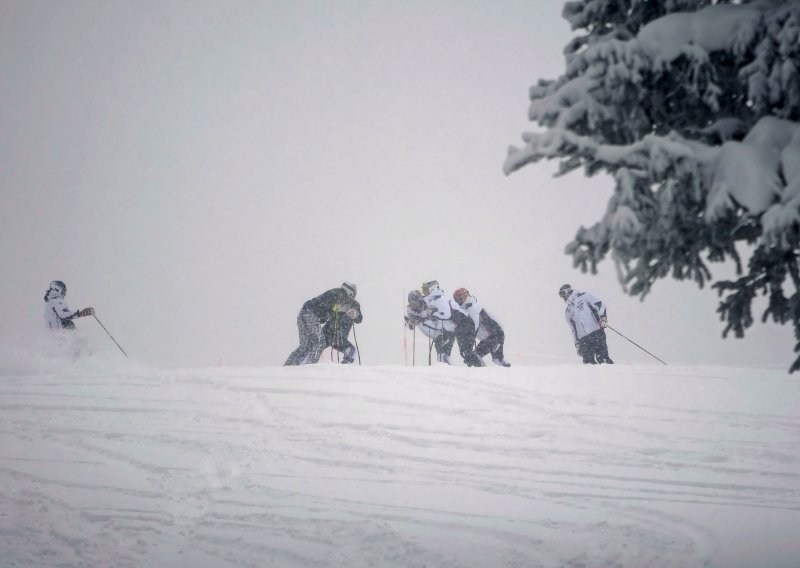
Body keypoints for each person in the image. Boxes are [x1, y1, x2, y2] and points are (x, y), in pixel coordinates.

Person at [285, 282, 362, 366]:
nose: (352, 298)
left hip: (304, 313)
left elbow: (326, 309)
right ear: (350, 292)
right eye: (353, 295)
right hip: (312, 315)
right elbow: (330, 307)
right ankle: (309, 366)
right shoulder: (340, 294)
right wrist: (340, 310)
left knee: (305, 345)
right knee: (318, 343)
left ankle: (288, 366)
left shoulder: (336, 294)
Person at [421, 280, 484, 367]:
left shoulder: (440, 299)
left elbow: (446, 315)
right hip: (461, 326)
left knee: (466, 352)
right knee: (465, 352)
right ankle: (479, 367)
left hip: (464, 325)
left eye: (425, 289)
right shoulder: (436, 299)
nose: (424, 292)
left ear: (431, 289)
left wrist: (433, 313)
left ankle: (481, 368)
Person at [452, 288, 510, 367]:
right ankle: (483, 372)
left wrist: (470, 341)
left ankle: (508, 373)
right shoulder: (469, 307)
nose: (459, 302)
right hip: (489, 338)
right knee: (475, 356)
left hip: (496, 336)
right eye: (457, 300)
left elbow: (474, 326)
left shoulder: (472, 308)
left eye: (459, 299)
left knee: (497, 359)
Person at [559, 283, 613, 364]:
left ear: (568, 291)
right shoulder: (568, 311)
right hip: (583, 339)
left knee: (603, 359)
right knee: (588, 363)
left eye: (563, 293)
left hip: (596, 332)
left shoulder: (584, 296)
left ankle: (611, 373)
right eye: (560, 295)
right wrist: (577, 344)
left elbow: (600, 305)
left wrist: (603, 317)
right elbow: (573, 329)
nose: (562, 297)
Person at [405, 289, 454, 364]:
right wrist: (409, 321)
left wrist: (422, 320)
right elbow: (409, 327)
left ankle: (448, 368)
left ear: (419, 300)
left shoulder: (429, 306)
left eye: (415, 303)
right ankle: (446, 368)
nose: (413, 305)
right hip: (435, 335)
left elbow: (439, 325)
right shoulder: (410, 311)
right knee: (441, 355)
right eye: (410, 302)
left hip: (445, 333)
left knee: (442, 354)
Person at [321, 295, 362, 364]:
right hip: (337, 335)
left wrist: (355, 314)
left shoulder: (336, 301)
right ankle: (343, 370)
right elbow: (359, 319)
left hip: (327, 333)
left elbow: (359, 319)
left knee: (314, 348)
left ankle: (304, 361)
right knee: (351, 351)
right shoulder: (352, 303)